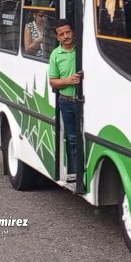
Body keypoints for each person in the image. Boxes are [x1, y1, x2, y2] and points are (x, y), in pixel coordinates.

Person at [48, 19, 83, 182]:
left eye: (68, 32)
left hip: (84, 101)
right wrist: (69, 81)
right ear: (57, 37)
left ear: (73, 32)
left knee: (86, 136)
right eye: (61, 34)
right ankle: (77, 173)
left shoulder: (82, 49)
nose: (66, 36)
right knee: (73, 138)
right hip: (66, 101)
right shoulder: (56, 54)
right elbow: (53, 81)